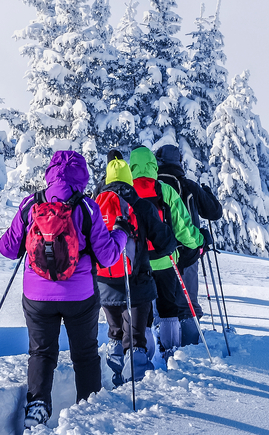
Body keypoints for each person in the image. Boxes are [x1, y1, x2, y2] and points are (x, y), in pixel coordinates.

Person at [0, 150, 127, 428]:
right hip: (79, 295)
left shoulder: (31, 203)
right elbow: (107, 256)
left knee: (41, 352)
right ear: (82, 177)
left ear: (50, 173)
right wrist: (121, 233)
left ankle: (37, 405)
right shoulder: (87, 207)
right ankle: (88, 409)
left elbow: (7, 249)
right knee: (85, 354)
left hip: (37, 296)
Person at [94, 153, 175, 386]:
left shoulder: (94, 205)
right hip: (137, 283)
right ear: (129, 178)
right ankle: (138, 383)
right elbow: (164, 242)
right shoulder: (141, 205)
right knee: (136, 338)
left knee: (115, 333)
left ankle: (116, 376)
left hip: (104, 282)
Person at [128, 145, 204, 354]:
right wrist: (198, 241)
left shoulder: (126, 191)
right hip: (166, 259)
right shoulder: (165, 190)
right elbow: (183, 228)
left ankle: (144, 353)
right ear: (153, 165)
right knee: (168, 307)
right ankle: (172, 350)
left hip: (137, 262)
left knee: (143, 311)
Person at [154, 144, 224, 320]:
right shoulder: (188, 186)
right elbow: (214, 212)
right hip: (188, 252)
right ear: (179, 162)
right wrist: (207, 193)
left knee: (160, 305)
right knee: (186, 305)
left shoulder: (152, 187)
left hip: (158, 254)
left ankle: (161, 333)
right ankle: (189, 333)